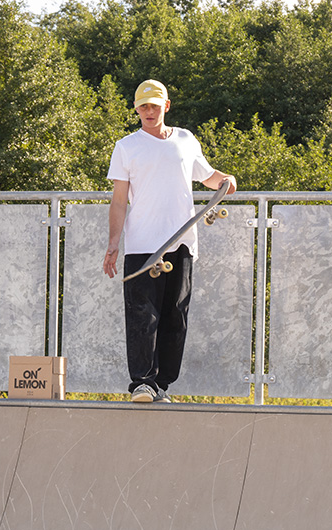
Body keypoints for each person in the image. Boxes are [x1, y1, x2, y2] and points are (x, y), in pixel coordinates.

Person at [103, 79, 237, 403]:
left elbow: (207, 176)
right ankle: (142, 383)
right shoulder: (127, 147)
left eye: (154, 105)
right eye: (142, 106)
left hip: (182, 243)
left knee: (175, 316)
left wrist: (226, 180)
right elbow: (119, 200)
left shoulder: (185, 141)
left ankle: (160, 385)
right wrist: (113, 244)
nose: (148, 112)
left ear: (166, 106)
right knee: (142, 315)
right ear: (136, 110)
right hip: (143, 245)